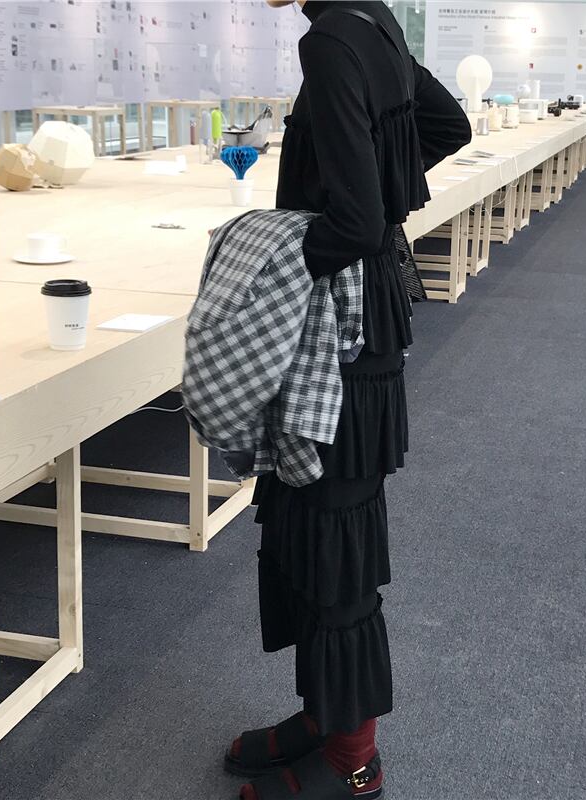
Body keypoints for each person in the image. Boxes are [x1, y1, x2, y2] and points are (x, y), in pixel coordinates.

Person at [226, 2, 471, 798]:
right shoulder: (374, 21)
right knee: (314, 525)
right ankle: (328, 719)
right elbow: (450, 124)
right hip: (363, 328)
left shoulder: (331, 39)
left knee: (333, 542)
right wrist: (381, 178)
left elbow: (359, 225)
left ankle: (353, 762)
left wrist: (269, 261)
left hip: (341, 330)